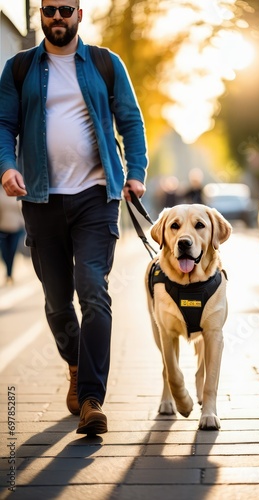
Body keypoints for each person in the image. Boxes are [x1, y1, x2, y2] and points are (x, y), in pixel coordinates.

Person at [0, 1, 148, 435]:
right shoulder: (20, 68)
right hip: (41, 199)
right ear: (40, 16)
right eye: (49, 10)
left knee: (93, 291)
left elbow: (131, 122)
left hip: (96, 196)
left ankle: (91, 398)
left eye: (66, 8)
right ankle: (74, 363)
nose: (57, 16)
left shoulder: (105, 63)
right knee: (56, 301)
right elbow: (3, 123)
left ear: (80, 13)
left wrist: (135, 174)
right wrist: (7, 165)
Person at [0, 186, 25, 285]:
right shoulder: (1, 193)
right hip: (3, 228)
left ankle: (10, 274)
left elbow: (22, 210)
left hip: (16, 228)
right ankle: (8, 272)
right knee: (5, 253)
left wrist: (23, 223)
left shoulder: (16, 192)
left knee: (12, 251)